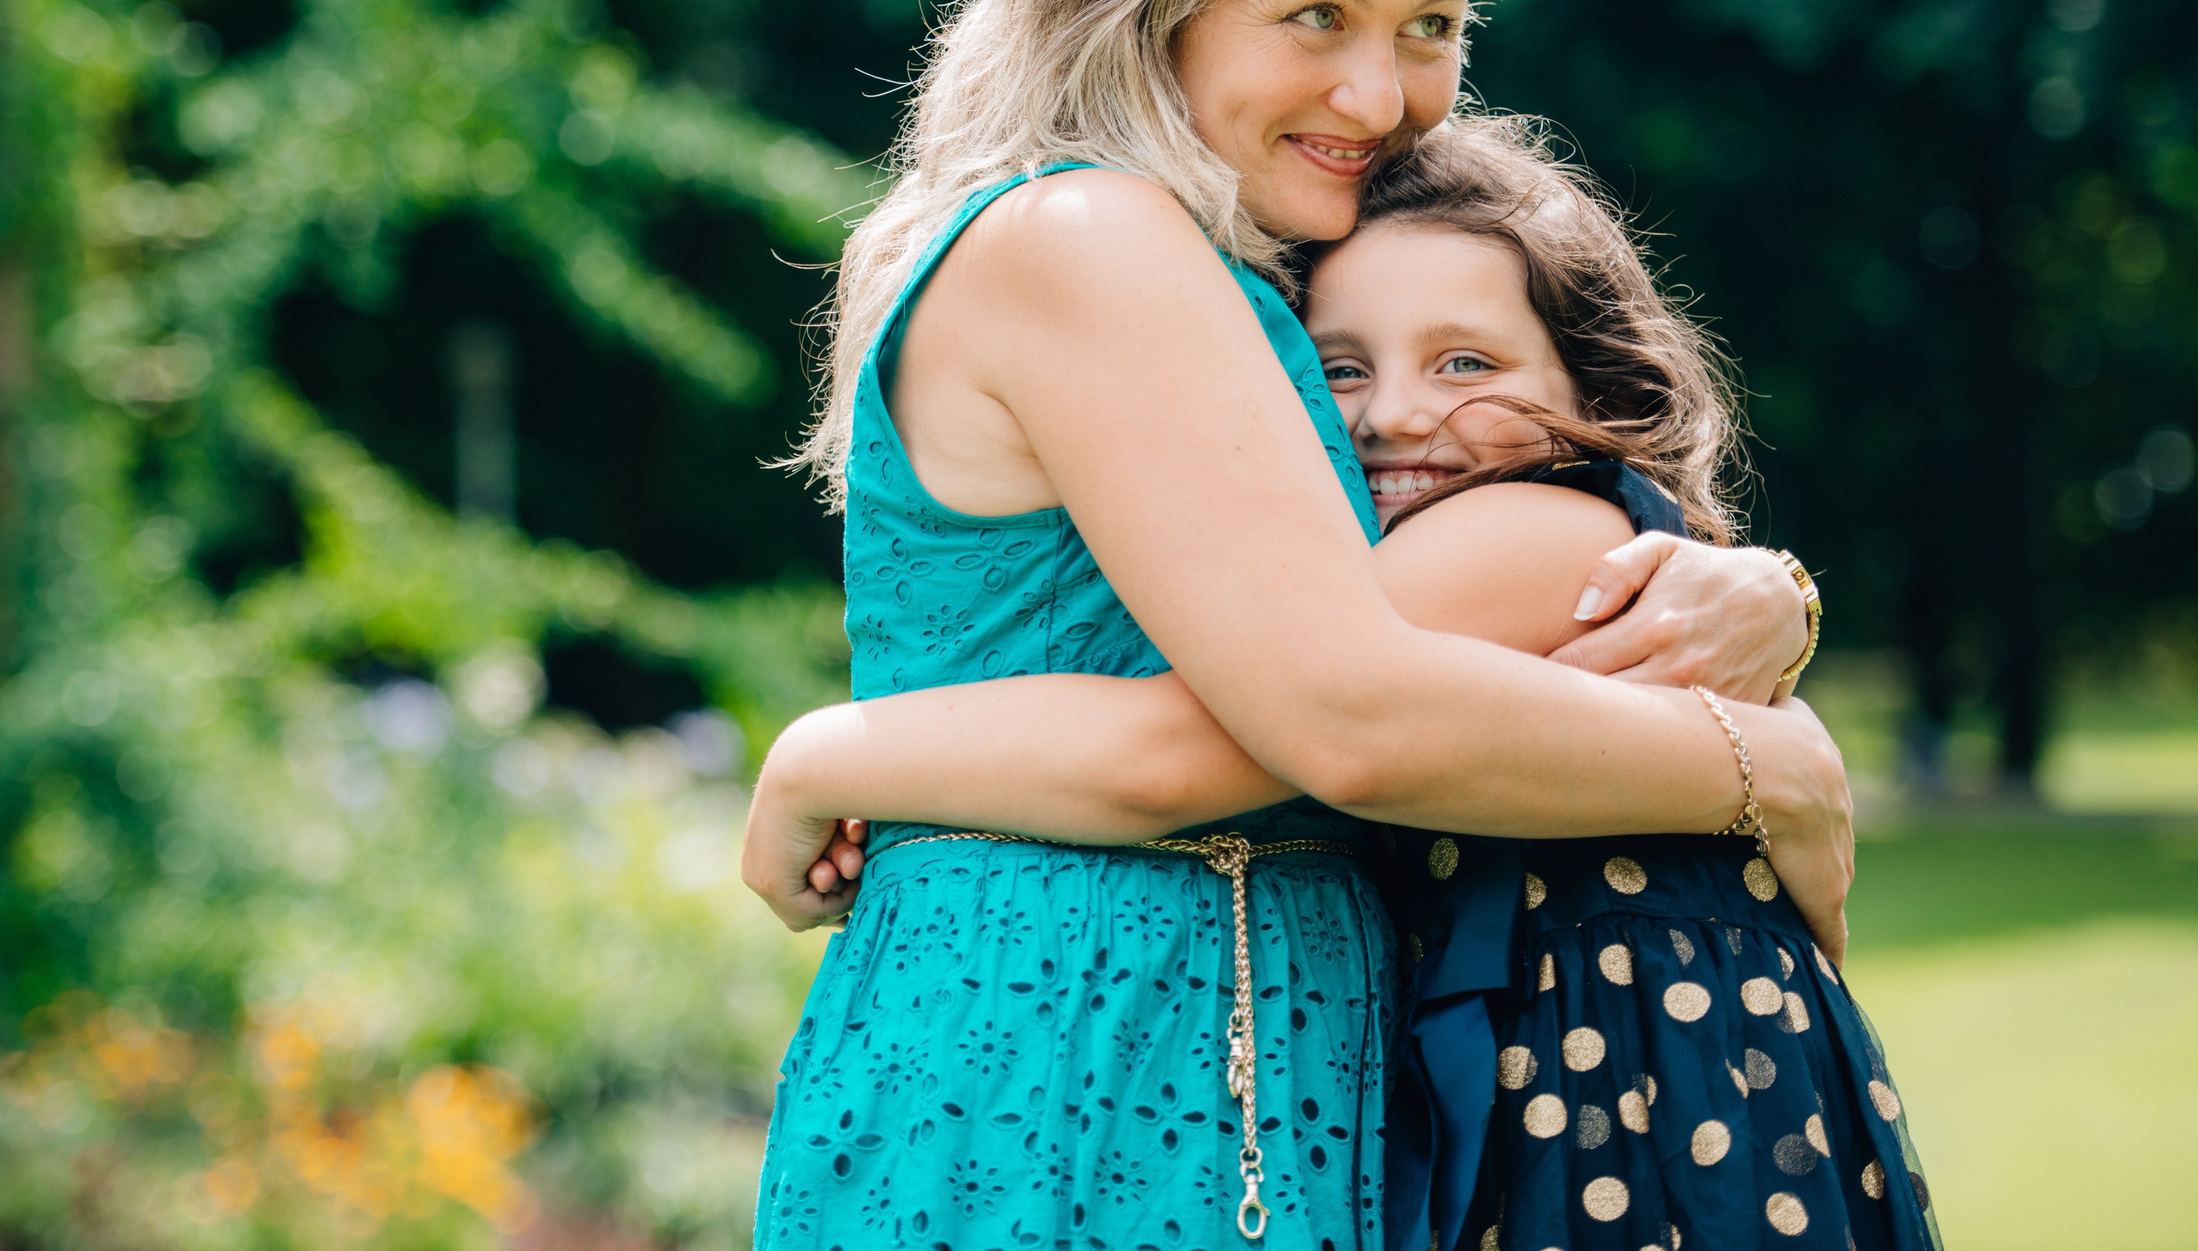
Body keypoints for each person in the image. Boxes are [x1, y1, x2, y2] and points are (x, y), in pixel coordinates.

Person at [745, 0, 1853, 1248]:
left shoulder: (1224, 262)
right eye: (1316, 11)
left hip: (1182, 1022)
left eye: (1432, 23)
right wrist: (1774, 767)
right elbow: (1350, 709)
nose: (1383, 94)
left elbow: (1458, 545)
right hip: (1089, 1042)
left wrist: (1749, 582)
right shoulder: (1092, 238)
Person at [767, 118, 1942, 1250]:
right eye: (1339, 368)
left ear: (1595, 394)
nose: (1393, 413)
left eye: (1466, 362)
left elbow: (1191, 744)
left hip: (1637, 1105)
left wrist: (834, 753)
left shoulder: (1529, 529)